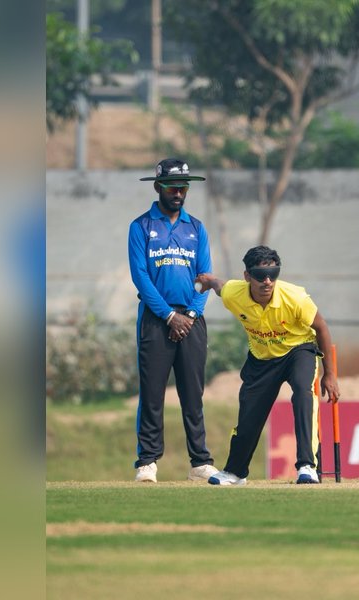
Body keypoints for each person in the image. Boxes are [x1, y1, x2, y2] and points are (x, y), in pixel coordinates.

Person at [195, 246, 340, 485]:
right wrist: (210, 281)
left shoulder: (294, 298)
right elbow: (221, 286)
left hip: (298, 349)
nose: (267, 281)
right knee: (249, 413)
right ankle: (235, 472)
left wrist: (330, 374)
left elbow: (321, 327)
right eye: (260, 275)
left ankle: (306, 466)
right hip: (261, 358)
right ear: (247, 276)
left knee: (303, 394)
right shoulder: (234, 293)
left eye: (273, 273)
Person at [127, 158, 219, 483]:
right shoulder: (140, 227)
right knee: (152, 392)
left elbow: (205, 278)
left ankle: (200, 463)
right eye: (172, 187)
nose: (178, 193)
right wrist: (169, 315)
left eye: (183, 187)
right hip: (156, 318)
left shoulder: (196, 228)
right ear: (158, 187)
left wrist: (190, 314)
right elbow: (141, 277)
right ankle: (147, 462)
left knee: (193, 394)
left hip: (192, 320)